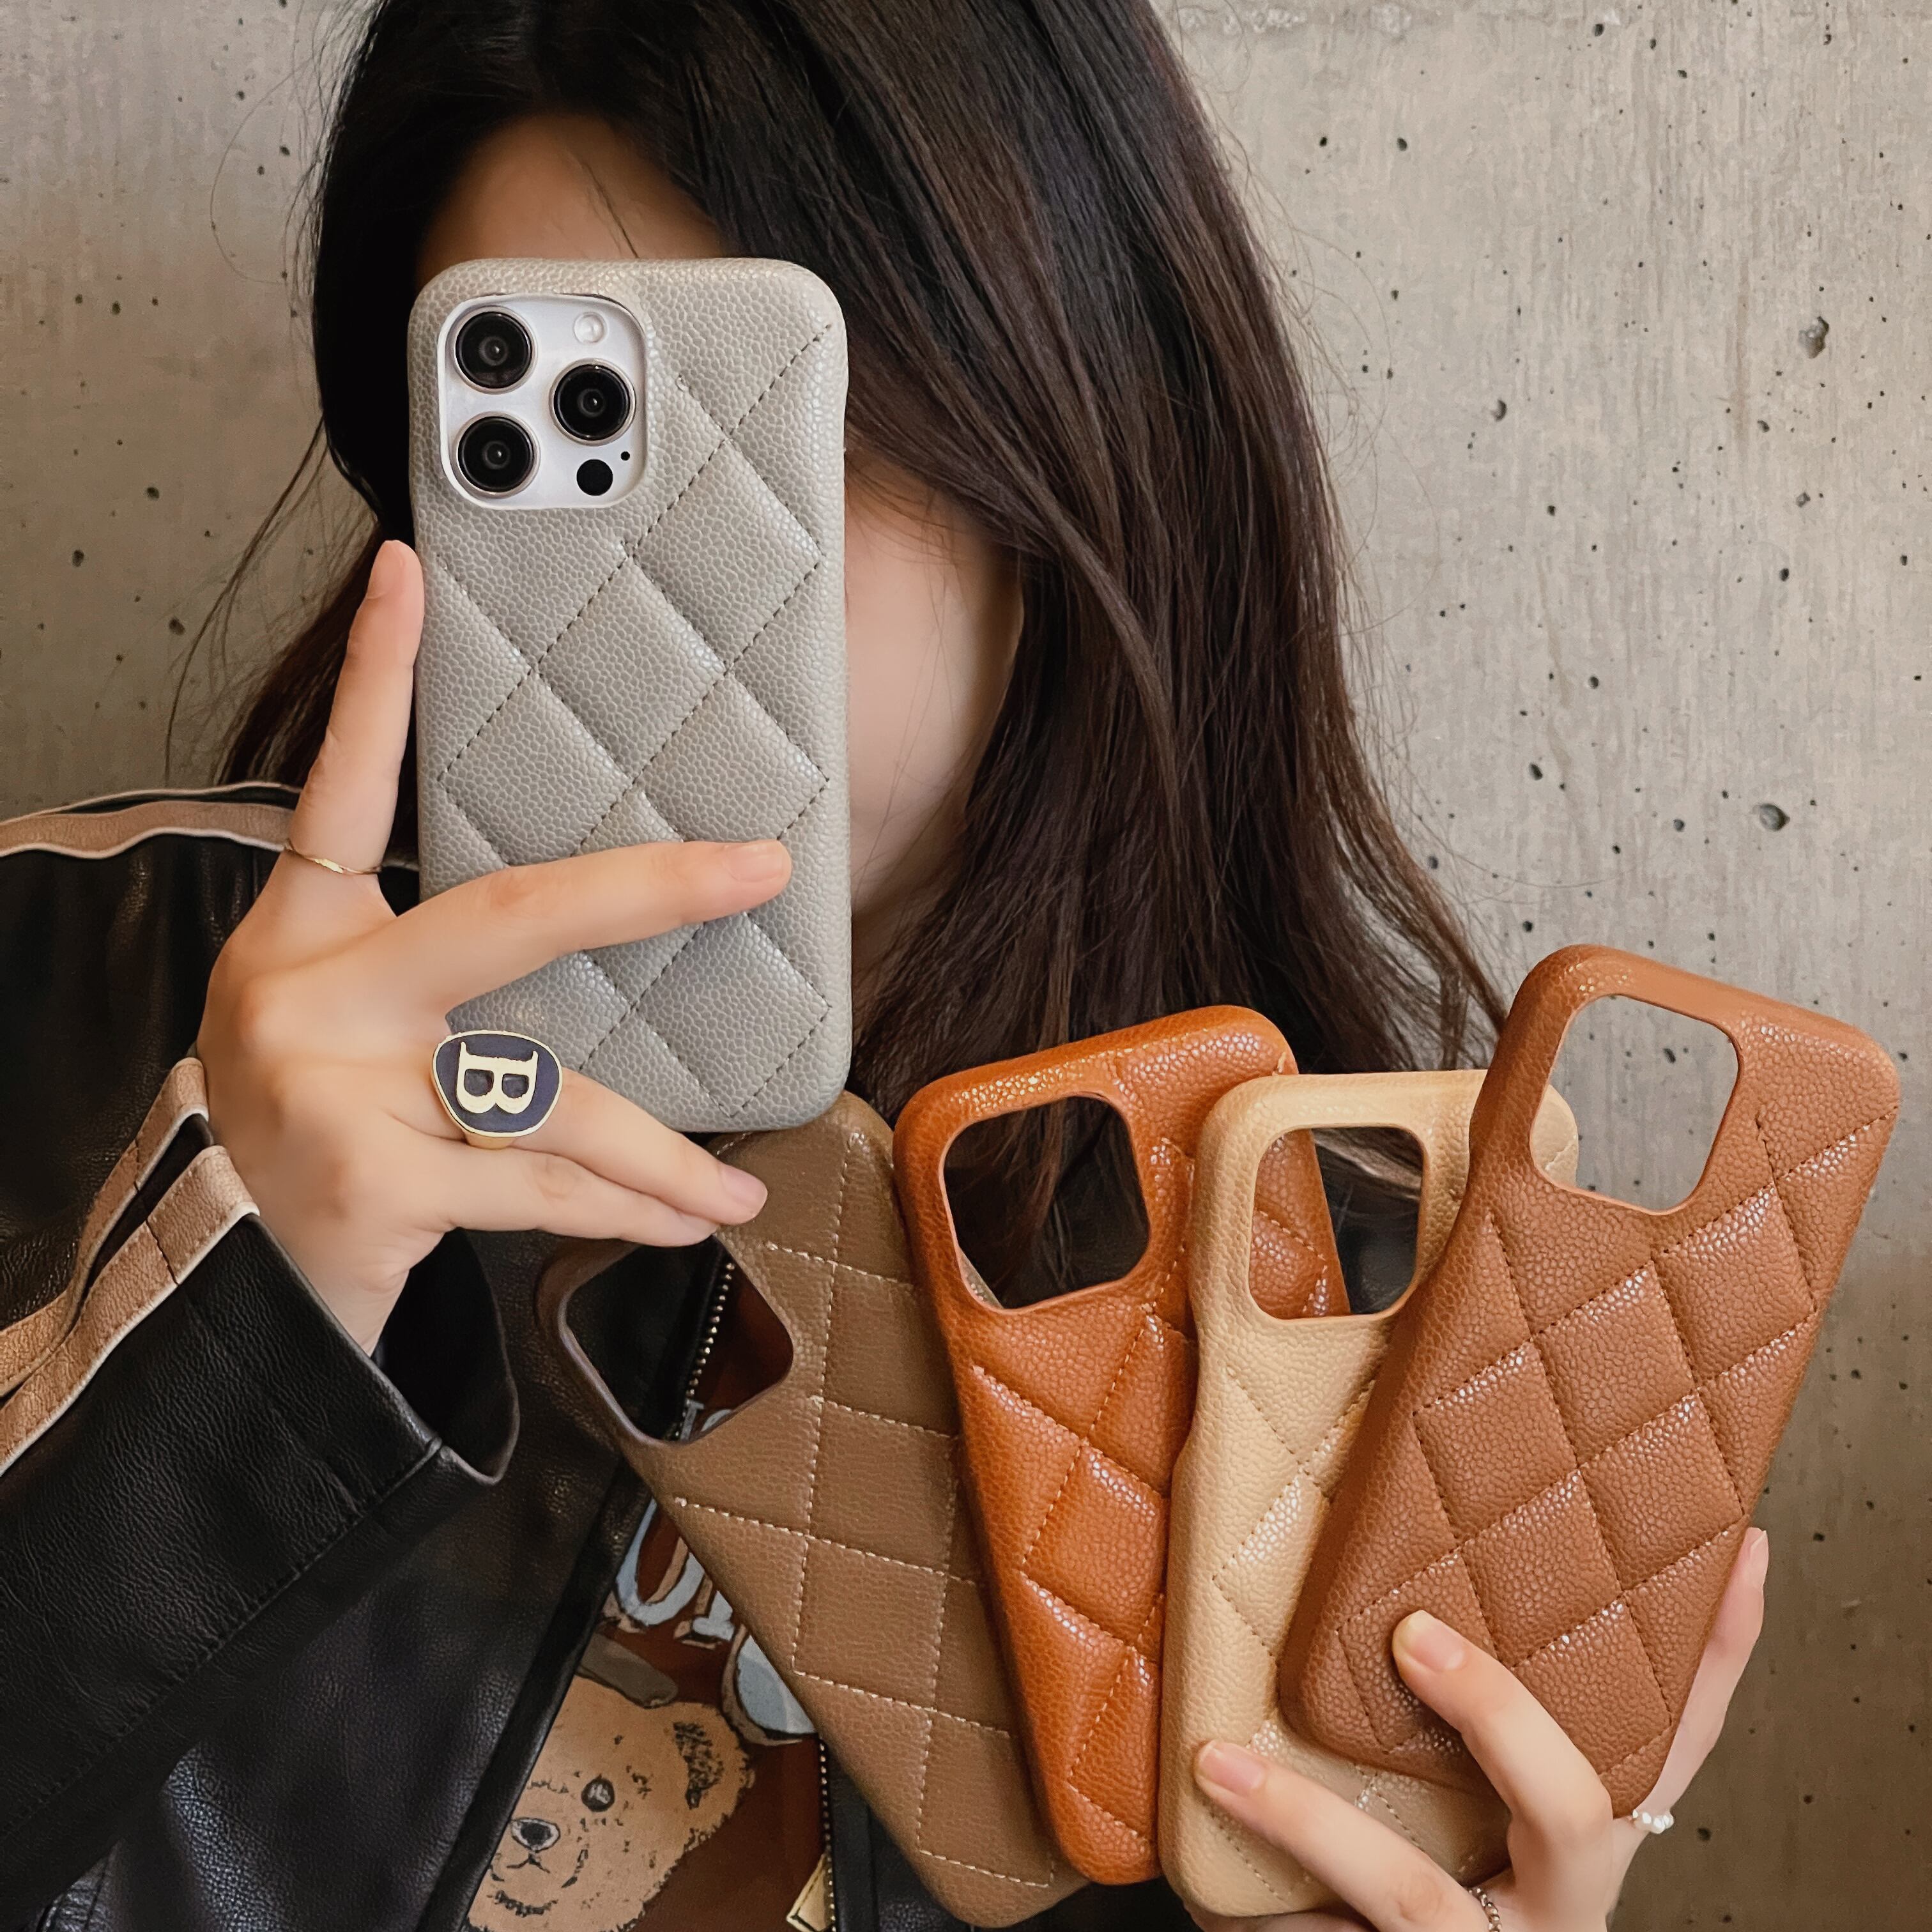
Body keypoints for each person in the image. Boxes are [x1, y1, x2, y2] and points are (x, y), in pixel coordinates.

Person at [0, 3, 1765, 1929]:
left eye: (767, 429)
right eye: (561, 447)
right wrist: (225, 1348)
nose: (659, 596)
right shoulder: (71, 981)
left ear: (1062, 427)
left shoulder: (1331, 1318)